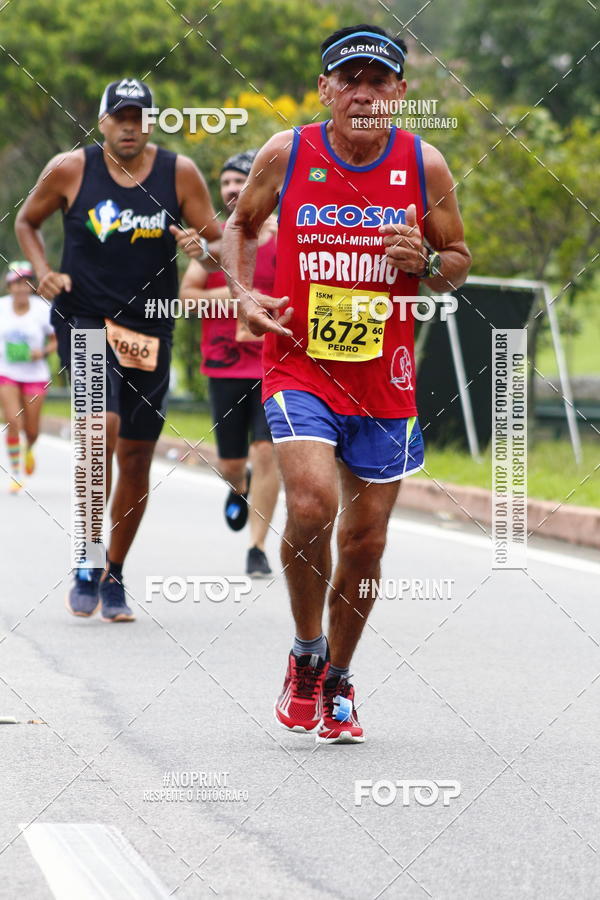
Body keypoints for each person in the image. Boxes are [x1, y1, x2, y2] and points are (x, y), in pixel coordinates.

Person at [223, 25, 472, 742]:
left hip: (385, 381)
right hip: (299, 363)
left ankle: (337, 677)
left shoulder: (424, 165)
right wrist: (243, 292)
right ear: (326, 88)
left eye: (378, 80)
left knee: (365, 543)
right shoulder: (287, 153)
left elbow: (458, 259)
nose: (363, 92)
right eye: (349, 78)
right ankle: (305, 652)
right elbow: (240, 226)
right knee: (310, 502)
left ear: (400, 92)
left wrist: (426, 260)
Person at [15, 77, 221, 622]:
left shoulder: (179, 173)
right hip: (83, 316)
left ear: (151, 123)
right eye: (120, 117)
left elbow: (218, 239)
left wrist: (202, 245)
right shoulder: (70, 169)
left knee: (135, 455)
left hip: (149, 328)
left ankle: (115, 572)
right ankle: (86, 554)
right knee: (97, 428)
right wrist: (43, 272)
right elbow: (26, 221)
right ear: (102, 122)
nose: (129, 126)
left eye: (139, 117)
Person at [180, 150, 280, 577]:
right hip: (224, 365)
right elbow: (186, 298)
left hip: (276, 364)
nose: (232, 189)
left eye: (240, 181)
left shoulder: (289, 237)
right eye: (225, 183)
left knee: (267, 451)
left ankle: (257, 547)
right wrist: (239, 295)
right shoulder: (216, 243)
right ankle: (237, 487)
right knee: (233, 463)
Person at [0, 261, 56, 493]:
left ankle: (29, 449)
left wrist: (41, 352)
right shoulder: (1, 308)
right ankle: (16, 472)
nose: (21, 288)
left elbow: (57, 339)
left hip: (35, 374)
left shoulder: (43, 308)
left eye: (25, 282)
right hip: (7, 372)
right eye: (16, 283)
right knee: (14, 420)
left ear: (31, 285)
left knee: (31, 430)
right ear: (9, 286)